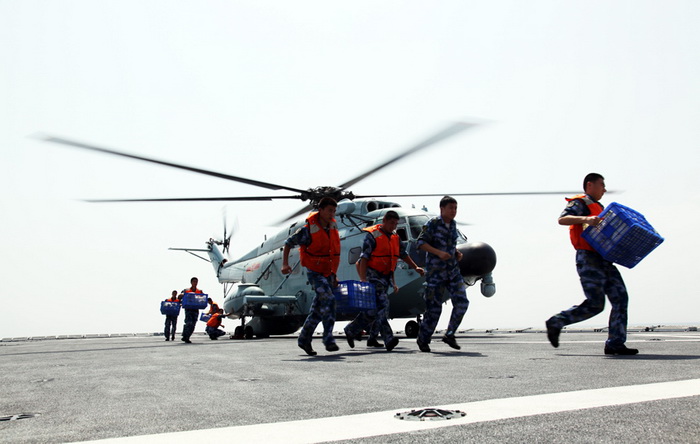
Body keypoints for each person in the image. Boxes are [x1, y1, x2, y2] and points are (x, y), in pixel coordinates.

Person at [545, 173, 638, 355]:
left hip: (604, 258)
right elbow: (562, 219)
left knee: (621, 299)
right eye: (601, 184)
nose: (604, 189)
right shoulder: (580, 202)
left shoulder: (601, 207)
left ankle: (615, 343)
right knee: (595, 304)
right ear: (590, 185)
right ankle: (557, 321)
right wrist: (586, 219)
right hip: (588, 258)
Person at [344, 210, 424, 352]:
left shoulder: (395, 237)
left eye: (395, 223)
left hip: (385, 277)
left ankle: (351, 329)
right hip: (372, 276)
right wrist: (363, 280)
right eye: (392, 223)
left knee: (372, 312)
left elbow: (403, 255)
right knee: (383, 305)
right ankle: (389, 339)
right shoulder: (372, 236)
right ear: (384, 221)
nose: (394, 226)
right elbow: (364, 259)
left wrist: (416, 267)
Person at [282, 197, 341, 356]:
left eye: (334, 211)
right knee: (329, 300)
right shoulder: (308, 230)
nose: (332, 214)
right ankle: (328, 338)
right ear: (320, 210)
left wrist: (334, 276)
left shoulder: (333, 228)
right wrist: (285, 264)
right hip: (314, 271)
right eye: (329, 210)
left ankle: (304, 338)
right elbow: (288, 243)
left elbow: (333, 254)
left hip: (328, 273)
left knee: (317, 309)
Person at [415, 196, 469, 352]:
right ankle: (423, 339)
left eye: (455, 208)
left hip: (452, 271)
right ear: (442, 209)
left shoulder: (453, 225)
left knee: (462, 302)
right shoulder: (432, 224)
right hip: (436, 273)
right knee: (434, 309)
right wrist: (438, 253)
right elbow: (420, 243)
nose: (454, 211)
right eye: (451, 208)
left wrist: (456, 252)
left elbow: (449, 245)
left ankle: (450, 334)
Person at [180, 277, 204, 344]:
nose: (195, 283)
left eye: (196, 281)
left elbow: (202, 298)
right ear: (191, 282)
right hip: (188, 309)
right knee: (189, 323)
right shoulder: (186, 290)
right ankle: (186, 336)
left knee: (193, 324)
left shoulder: (199, 291)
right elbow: (180, 296)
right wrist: (182, 295)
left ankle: (187, 336)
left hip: (195, 309)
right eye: (194, 281)